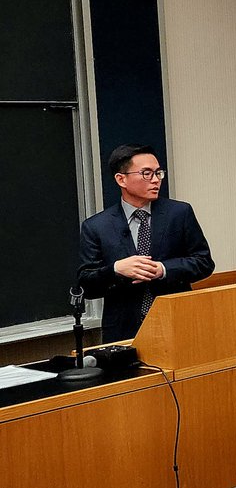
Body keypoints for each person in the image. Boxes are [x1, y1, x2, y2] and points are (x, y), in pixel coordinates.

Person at [77, 144, 214, 342]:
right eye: (147, 173)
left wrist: (163, 269)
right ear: (121, 179)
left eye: (158, 173)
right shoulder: (96, 226)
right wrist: (116, 269)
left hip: (178, 324)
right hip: (124, 332)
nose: (156, 180)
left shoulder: (179, 213)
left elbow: (204, 262)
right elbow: (86, 285)